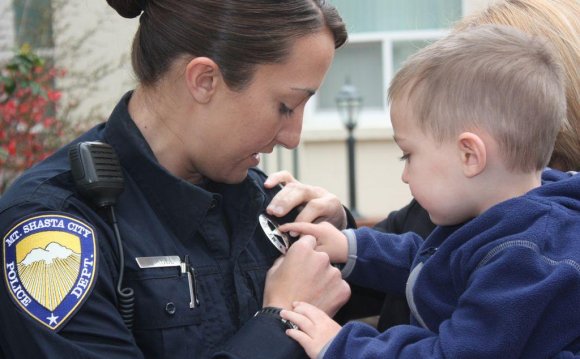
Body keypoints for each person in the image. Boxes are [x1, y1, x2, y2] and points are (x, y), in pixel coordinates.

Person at [0, 0, 351, 358]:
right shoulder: (52, 230)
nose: (293, 136)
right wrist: (281, 322)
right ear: (204, 80)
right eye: (286, 106)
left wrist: (344, 235)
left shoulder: (260, 200)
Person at [265, 0, 580, 331]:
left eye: (409, 155)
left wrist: (340, 344)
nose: (405, 174)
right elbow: (413, 254)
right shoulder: (473, 202)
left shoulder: (525, 253)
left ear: (470, 153)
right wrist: (342, 233)